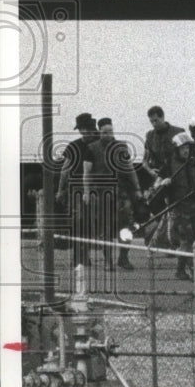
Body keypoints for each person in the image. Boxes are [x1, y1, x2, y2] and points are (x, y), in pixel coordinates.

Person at [87, 117, 141, 271]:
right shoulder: (92, 148)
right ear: (100, 132)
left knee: (126, 229)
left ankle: (123, 258)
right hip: (102, 194)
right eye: (105, 132)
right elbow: (88, 173)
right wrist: (89, 191)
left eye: (111, 131)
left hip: (121, 194)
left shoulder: (121, 147)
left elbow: (129, 169)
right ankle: (108, 261)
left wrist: (137, 188)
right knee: (105, 230)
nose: (108, 134)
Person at [56, 113, 99, 268]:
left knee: (90, 223)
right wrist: (61, 190)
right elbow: (65, 169)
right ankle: (77, 256)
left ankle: (85, 255)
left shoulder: (100, 144)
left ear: (93, 128)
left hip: (96, 188)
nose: (85, 132)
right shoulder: (74, 146)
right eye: (82, 129)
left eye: (87, 128)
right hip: (76, 190)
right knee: (78, 221)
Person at [161, 132, 195, 281]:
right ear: (176, 149)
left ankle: (189, 267)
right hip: (179, 207)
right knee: (185, 239)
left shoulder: (193, 164)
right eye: (182, 148)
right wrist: (165, 183)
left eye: (188, 147)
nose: (186, 151)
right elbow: (161, 187)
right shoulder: (169, 165)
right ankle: (182, 269)